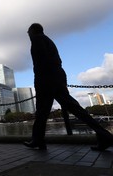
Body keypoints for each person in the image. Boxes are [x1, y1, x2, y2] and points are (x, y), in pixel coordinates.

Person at [24, 23, 113, 151]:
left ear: (32, 31)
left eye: (28, 32)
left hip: (46, 80)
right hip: (57, 77)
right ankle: (104, 135)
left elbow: (40, 63)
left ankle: (38, 140)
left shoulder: (37, 40)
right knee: (75, 109)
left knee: (41, 112)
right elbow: (56, 61)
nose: (28, 34)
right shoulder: (48, 41)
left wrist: (39, 81)